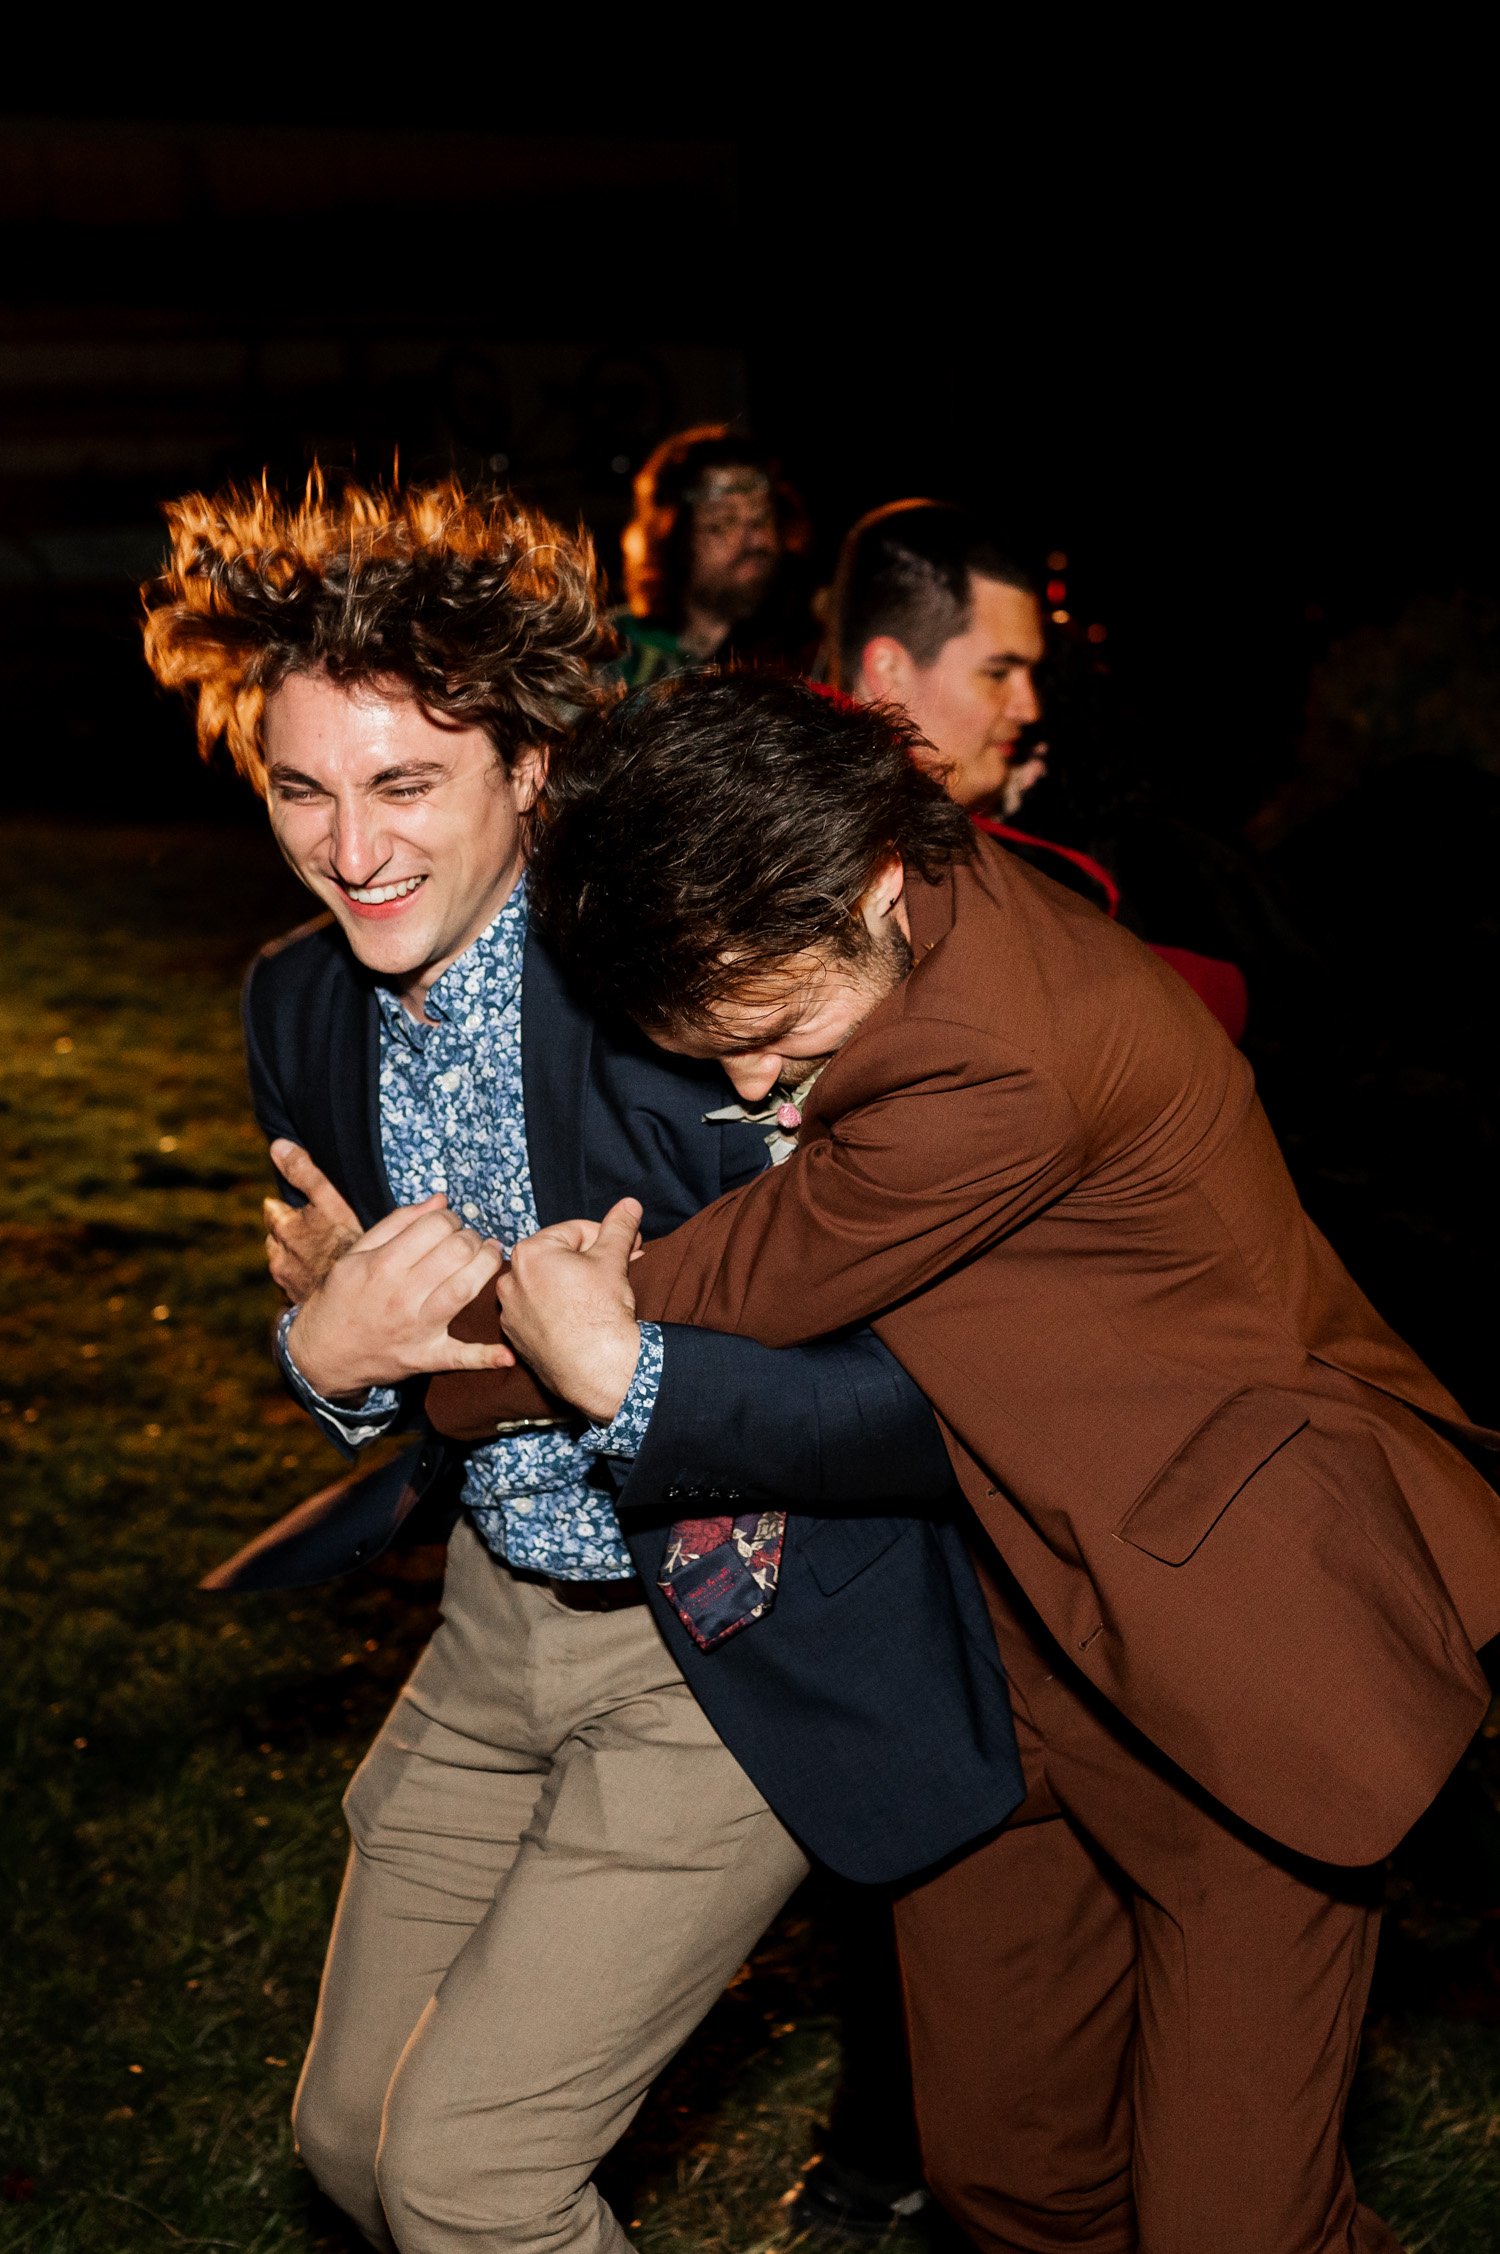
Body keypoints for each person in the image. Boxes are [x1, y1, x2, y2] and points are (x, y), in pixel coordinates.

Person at [438, 670, 1500, 2254]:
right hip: (1009, 1638)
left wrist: (409, 1345)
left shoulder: (987, 1066)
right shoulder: (920, 869)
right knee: (1007, 2171)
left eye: (769, 1034)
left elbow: (705, 1297)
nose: (746, 1084)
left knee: (1236, 2227)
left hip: (1238, 1647)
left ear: (868, 878)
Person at [139, 477, 1019, 2254]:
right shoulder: (294, 1010)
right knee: (346, 2135)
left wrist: (617, 1373)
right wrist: (327, 1358)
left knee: (471, 2174)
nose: (350, 847)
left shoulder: (683, 984)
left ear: (531, 772)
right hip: (489, 1622)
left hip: (725, 1632)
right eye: (301, 788)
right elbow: (367, 1330)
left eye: (405, 786)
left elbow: (942, 1394)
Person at [830, 498, 1251, 1042]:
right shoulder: (841, 858)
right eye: (998, 672)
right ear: (888, 670)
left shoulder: (943, 833)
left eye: (1030, 673)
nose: (1029, 709)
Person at [611, 424, 814, 686]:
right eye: (724, 522)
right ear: (671, 537)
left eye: (762, 519)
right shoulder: (615, 649)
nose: (753, 538)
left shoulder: (809, 649)